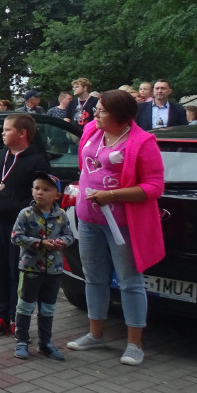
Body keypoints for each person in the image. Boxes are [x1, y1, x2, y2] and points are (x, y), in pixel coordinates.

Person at [67, 90, 165, 366]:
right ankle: (95, 334)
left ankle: (134, 344)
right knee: (93, 277)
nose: (94, 114)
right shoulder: (91, 131)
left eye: (102, 110)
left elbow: (154, 186)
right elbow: (85, 168)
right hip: (88, 220)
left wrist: (112, 196)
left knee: (129, 282)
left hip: (121, 225)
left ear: (121, 117)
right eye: (96, 109)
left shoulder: (142, 142)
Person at [0, 114, 50, 337]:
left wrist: (12, 207)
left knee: (15, 272)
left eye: (7, 129)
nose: (2, 133)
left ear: (22, 133)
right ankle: (1, 315)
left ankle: (15, 317)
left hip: (19, 227)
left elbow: (39, 195)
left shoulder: (37, 160)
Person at [11, 172, 74, 361]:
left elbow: (69, 235)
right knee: (25, 306)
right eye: (37, 188)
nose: (40, 193)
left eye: (46, 190)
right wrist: (39, 243)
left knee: (48, 308)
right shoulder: (26, 214)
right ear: (31, 191)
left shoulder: (61, 215)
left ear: (56, 195)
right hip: (30, 269)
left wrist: (62, 242)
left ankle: (45, 343)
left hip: (54, 271)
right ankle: (22, 341)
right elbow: (15, 236)